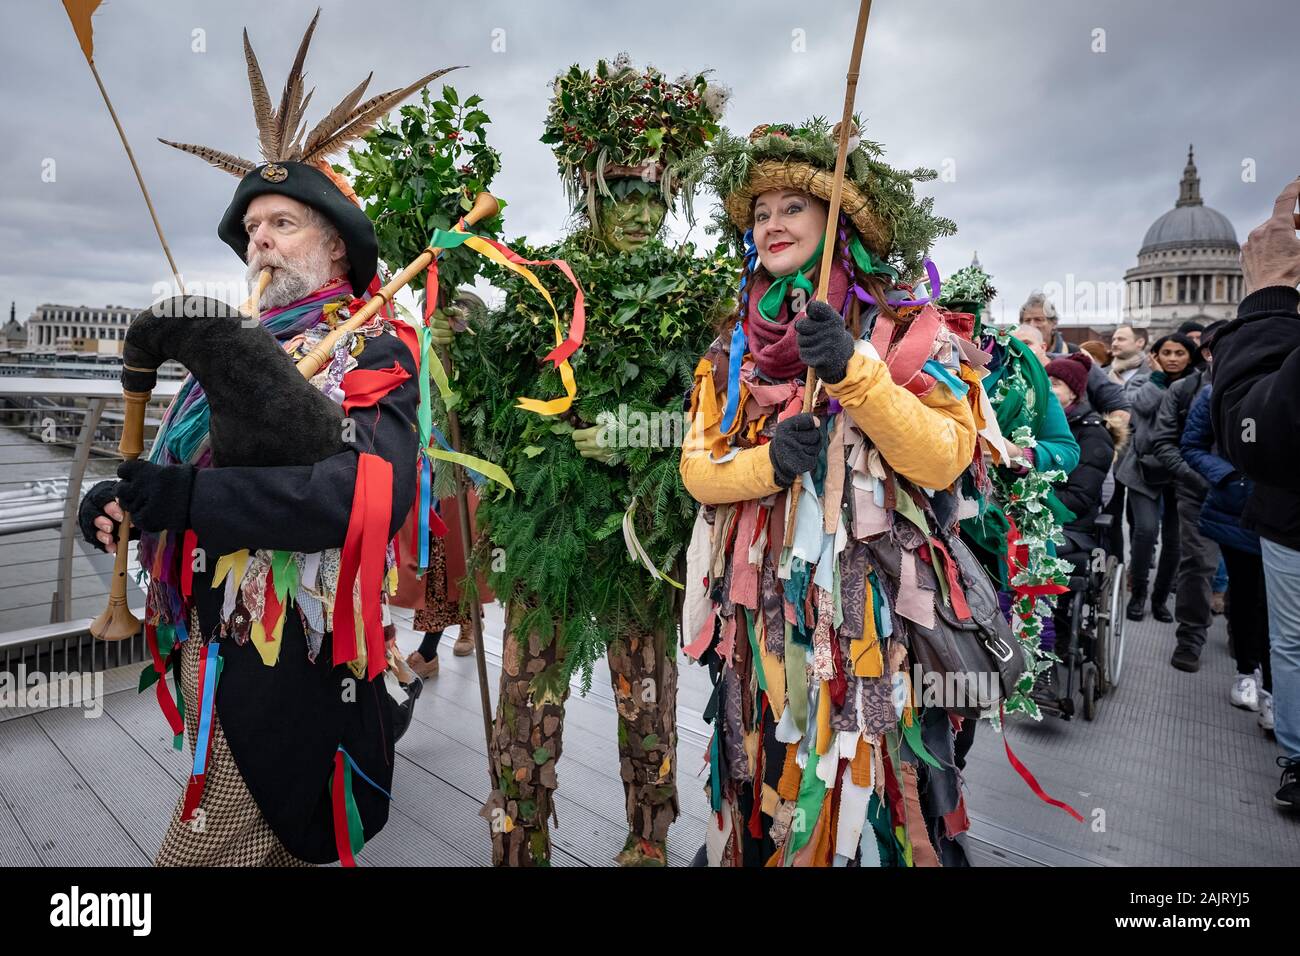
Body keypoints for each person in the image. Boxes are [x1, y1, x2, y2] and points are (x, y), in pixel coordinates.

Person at [77, 13, 436, 864]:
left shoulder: (372, 347)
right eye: (252, 231)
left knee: (207, 849)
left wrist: (194, 499)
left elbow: (368, 499)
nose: (259, 244)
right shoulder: (233, 357)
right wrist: (129, 502)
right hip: (210, 636)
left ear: (339, 249)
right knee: (271, 842)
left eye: (281, 224)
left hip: (292, 657)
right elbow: (178, 473)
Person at [679, 117, 1023, 867]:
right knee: (767, 779)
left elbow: (944, 456)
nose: (772, 223)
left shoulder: (905, 323)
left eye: (792, 208)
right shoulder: (731, 340)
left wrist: (854, 372)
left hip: (878, 632)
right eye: (761, 212)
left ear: (838, 220)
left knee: (881, 797)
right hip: (769, 623)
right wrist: (767, 466)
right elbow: (697, 467)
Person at [447, 56, 731, 866]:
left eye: (652, 198)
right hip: (546, 533)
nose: (639, 214)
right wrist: (460, 336)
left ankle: (649, 840)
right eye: (623, 197)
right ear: (594, 197)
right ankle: (519, 837)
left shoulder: (695, 291)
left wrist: (634, 431)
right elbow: (503, 387)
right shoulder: (547, 283)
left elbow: (718, 415)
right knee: (526, 696)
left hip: (639, 540)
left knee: (648, 698)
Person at [1208, 176, 1300, 812]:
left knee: (1289, 639)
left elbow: (1253, 428)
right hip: (1260, 513)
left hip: (1281, 513)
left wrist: (1269, 300)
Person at [1181, 383, 1271, 722]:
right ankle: (1248, 671)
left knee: (1278, 607)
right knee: (1248, 594)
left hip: (1286, 508)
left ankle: (1275, 686)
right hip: (1239, 508)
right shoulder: (1224, 390)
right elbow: (1191, 444)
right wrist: (1232, 478)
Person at [1040, 351, 1121, 699]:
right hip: (1035, 520)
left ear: (1075, 393)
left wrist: (1033, 506)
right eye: (1044, 382)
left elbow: (1081, 498)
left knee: (1037, 553)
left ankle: (1045, 657)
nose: (1047, 389)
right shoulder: (1038, 423)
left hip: (1074, 528)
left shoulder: (1094, 436)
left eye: (1054, 384)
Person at [1148, 322, 1226, 670]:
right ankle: (1191, 637)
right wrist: (1198, 478)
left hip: (1254, 492)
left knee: (1251, 569)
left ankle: (1247, 644)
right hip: (1199, 490)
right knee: (1198, 564)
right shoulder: (1185, 390)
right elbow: (1164, 442)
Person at [1114, 332, 1203, 623]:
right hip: (1144, 467)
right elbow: (1137, 407)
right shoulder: (1143, 379)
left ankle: (1161, 598)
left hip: (1180, 471)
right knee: (1146, 532)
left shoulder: (1198, 384)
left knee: (1175, 541)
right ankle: (1138, 592)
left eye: (1180, 353)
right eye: (1167, 353)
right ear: (1156, 355)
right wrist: (1157, 380)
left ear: (1191, 356)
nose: (1173, 359)